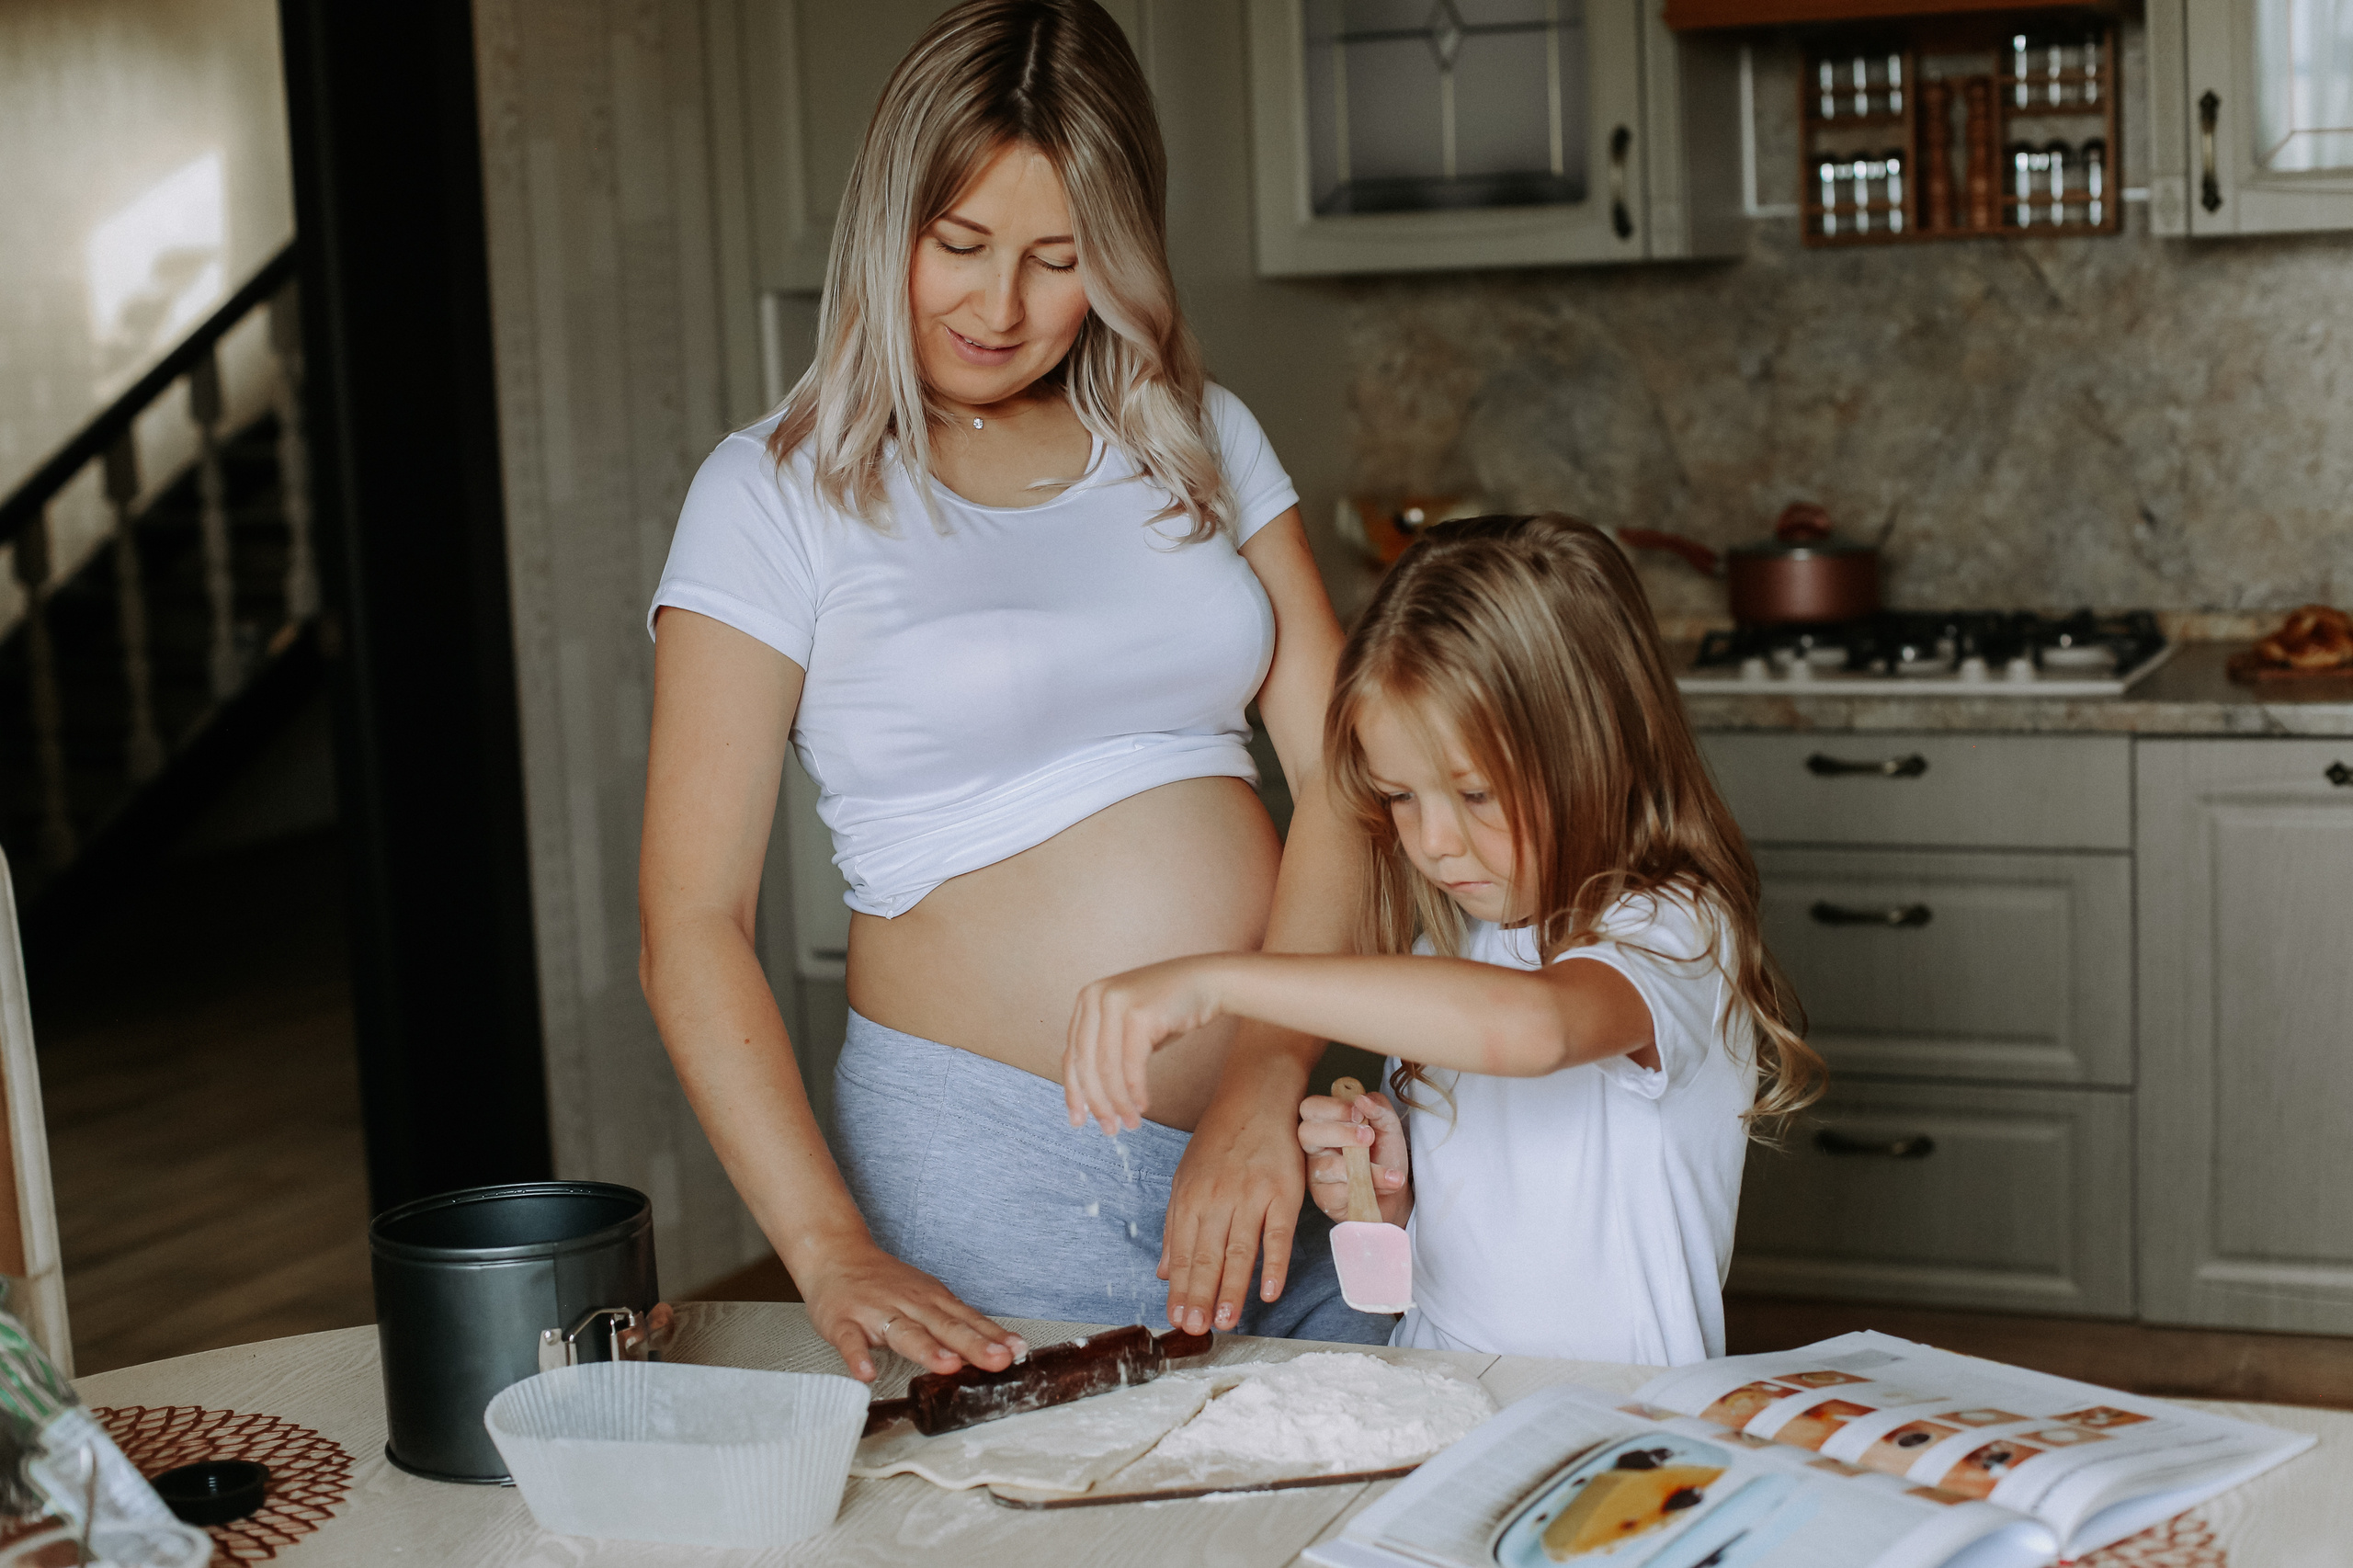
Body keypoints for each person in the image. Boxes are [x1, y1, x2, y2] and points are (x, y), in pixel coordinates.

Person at [637, 0, 1385, 1385]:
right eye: (961, 246)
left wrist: (1266, 1076)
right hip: (992, 1158)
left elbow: (1351, 775)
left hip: (1283, 1148)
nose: (999, 308)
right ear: (886, 226)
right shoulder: (771, 494)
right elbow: (690, 922)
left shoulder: (1198, 435)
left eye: (1060, 258)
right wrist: (822, 1242)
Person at [1062, 515, 1827, 1365]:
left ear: (1595, 750)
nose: (1433, 843)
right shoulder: (1447, 948)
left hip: (1622, 1427)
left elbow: (1532, 1029)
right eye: (1399, 797)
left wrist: (1224, 982)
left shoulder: (1674, 927)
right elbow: (1447, 1267)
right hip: (1445, 1394)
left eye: (1474, 795)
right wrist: (1385, 1204)